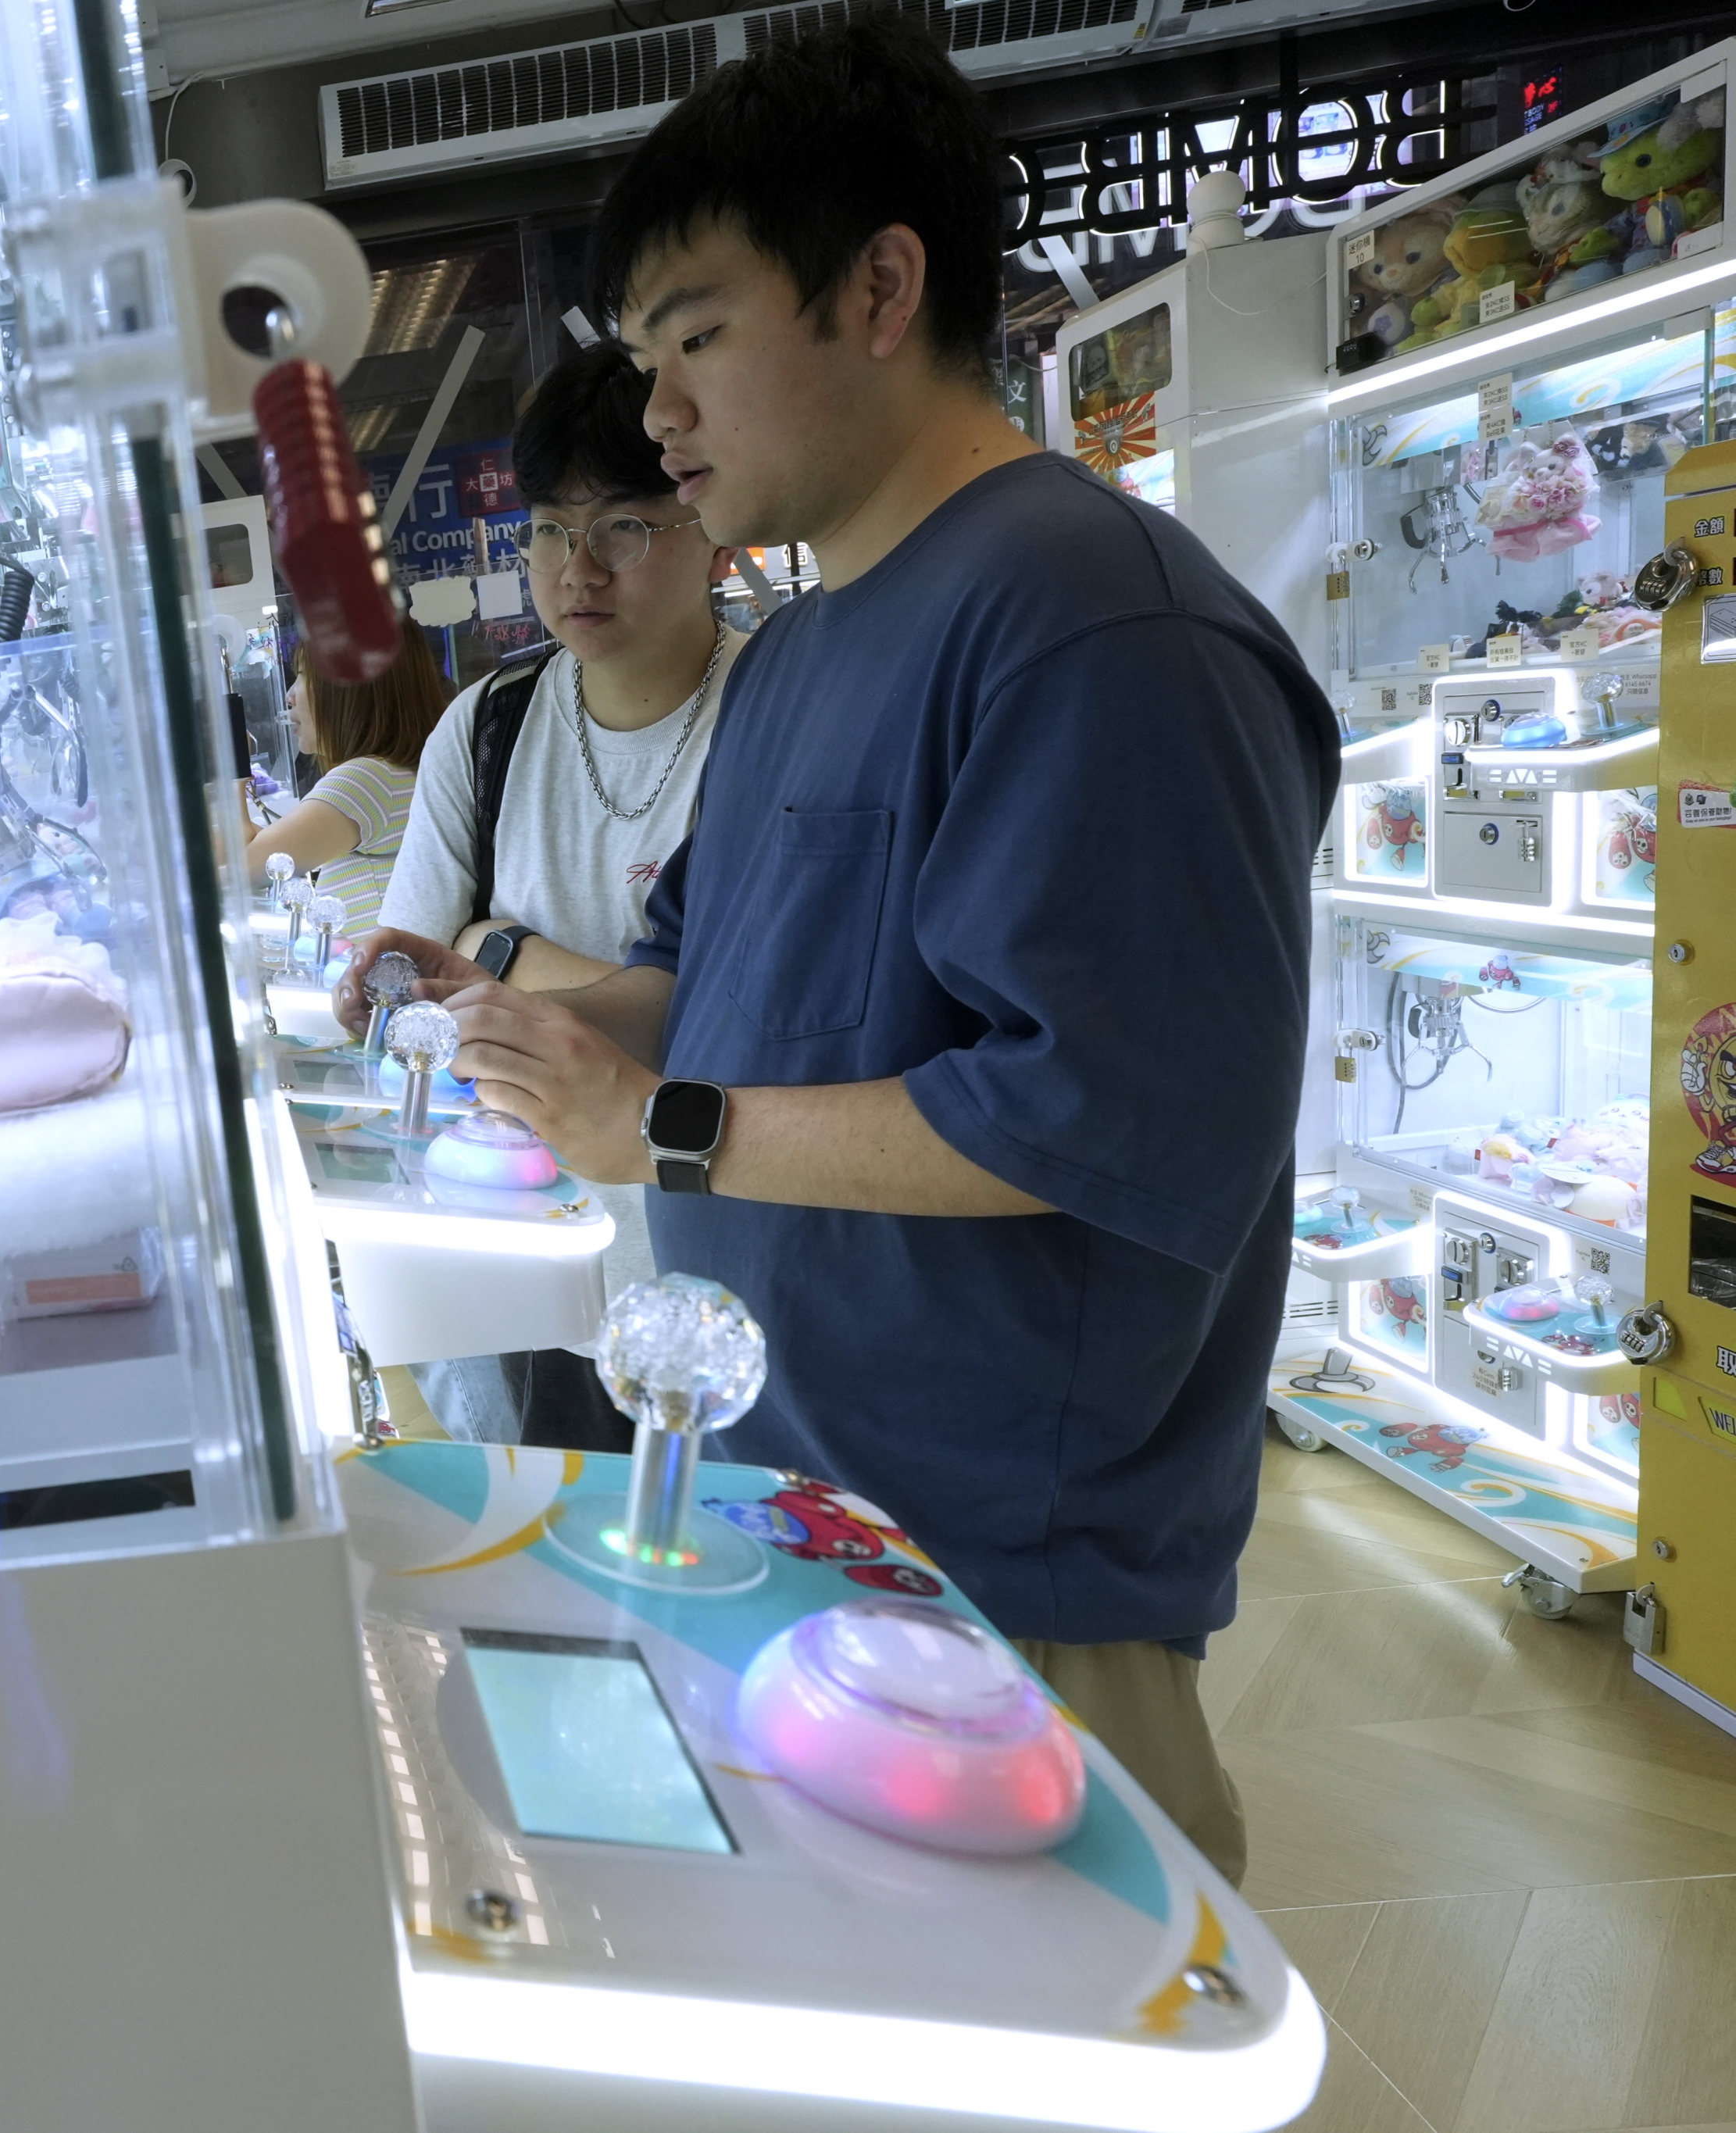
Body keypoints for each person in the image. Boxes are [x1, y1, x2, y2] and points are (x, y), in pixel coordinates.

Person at [332, 13, 1333, 1885]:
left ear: (882, 287)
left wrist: (674, 1131)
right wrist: (519, 1026)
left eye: (698, 338)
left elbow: (1107, 1116)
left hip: (999, 1582)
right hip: (797, 1504)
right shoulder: (802, 654)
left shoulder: (1096, 627)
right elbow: (697, 975)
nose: (661, 415)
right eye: (643, 361)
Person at [377, 342, 748, 1452]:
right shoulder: (486, 727)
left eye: (622, 526)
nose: (575, 568)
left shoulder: (777, 714)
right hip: (530, 1244)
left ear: (709, 525)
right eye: (546, 527)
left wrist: (502, 952)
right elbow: (408, 976)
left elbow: (742, 1015)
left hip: (724, 1268)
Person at [243, 624, 448, 934]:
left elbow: (247, 869)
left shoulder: (366, 779)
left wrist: (231, 767)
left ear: (347, 688)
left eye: (303, 675)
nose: (289, 695)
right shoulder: (396, 774)